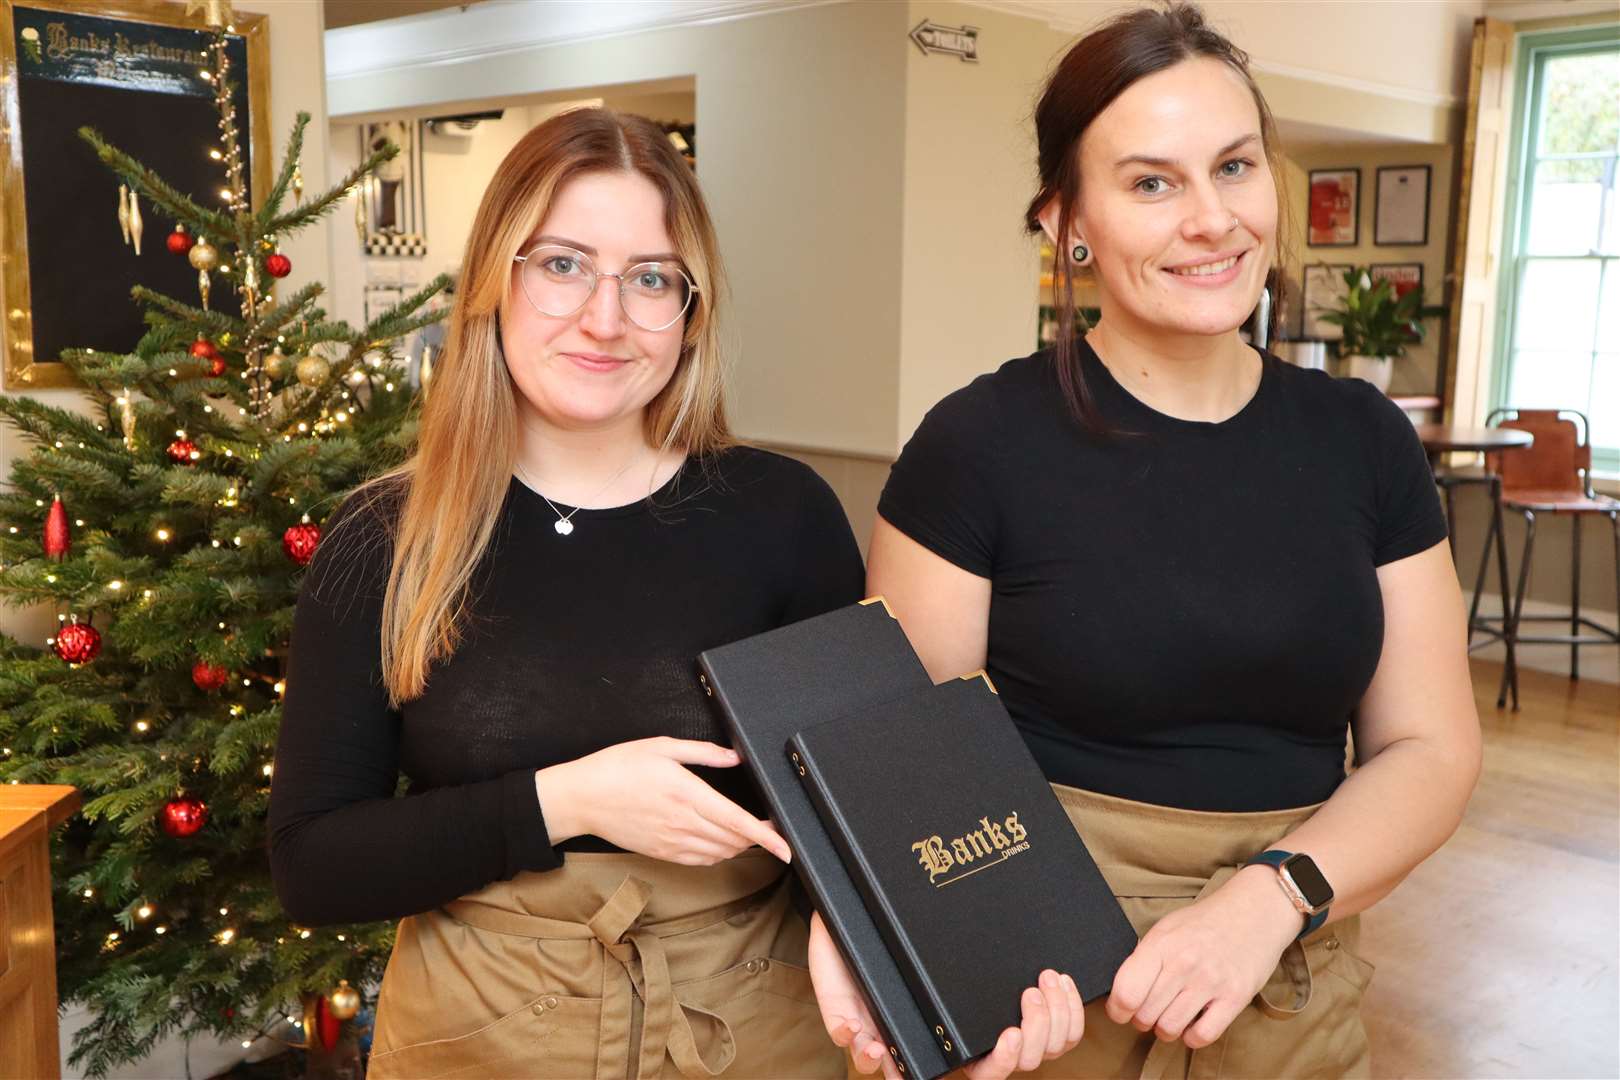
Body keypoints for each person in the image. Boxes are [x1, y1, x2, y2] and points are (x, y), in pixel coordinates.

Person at [808, 5, 1482, 1078]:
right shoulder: (976, 445)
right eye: (1152, 182)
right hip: (1046, 996)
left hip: (1291, 985)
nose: (1211, 219)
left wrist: (1271, 898)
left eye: (1235, 166)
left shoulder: (1364, 441)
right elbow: (912, 775)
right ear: (1067, 221)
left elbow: (1431, 748)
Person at [269, 108, 865, 1078]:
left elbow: (860, 811)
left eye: (650, 279)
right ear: (492, 282)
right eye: (561, 265)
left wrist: (861, 954)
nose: (605, 318)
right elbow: (313, 864)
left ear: (691, 308)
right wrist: (569, 800)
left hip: (752, 1030)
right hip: (478, 1036)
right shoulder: (382, 539)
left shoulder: (784, 515)